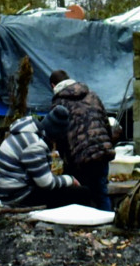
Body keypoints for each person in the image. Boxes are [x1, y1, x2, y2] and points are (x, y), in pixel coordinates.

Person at [0, 105, 94, 208]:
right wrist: (70, 180)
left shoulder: (24, 133)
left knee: (66, 191)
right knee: (82, 193)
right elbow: (46, 183)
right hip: (17, 197)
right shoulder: (34, 145)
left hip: (7, 191)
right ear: (55, 134)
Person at [49, 69, 115, 211]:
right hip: (102, 151)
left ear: (53, 86)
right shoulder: (92, 95)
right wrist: (108, 146)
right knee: (102, 192)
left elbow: (60, 136)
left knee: (83, 194)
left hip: (80, 156)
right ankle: (107, 226)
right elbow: (106, 123)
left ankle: (85, 229)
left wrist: (64, 161)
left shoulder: (59, 103)